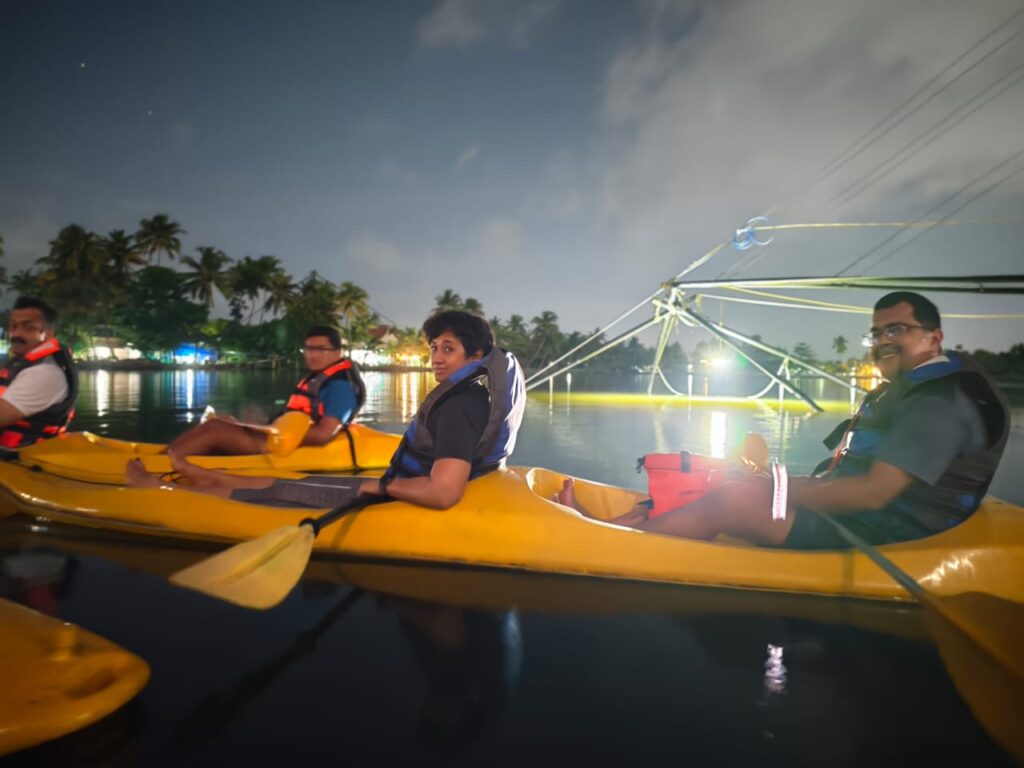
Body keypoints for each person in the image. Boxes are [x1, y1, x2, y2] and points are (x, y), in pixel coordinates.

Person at [558, 291, 1009, 549]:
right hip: (862, 516)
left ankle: (606, 543)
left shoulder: (941, 401)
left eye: (897, 330)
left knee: (732, 498)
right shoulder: (912, 389)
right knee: (723, 475)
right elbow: (849, 475)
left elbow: (873, 495)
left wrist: (773, 489)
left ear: (934, 338)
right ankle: (611, 526)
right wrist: (775, 481)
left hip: (889, 533)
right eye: (877, 333)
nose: (883, 341)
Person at [127, 311, 526, 511]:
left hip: (398, 499)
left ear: (476, 355)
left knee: (286, 491)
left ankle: (167, 489)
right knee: (296, 481)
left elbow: (443, 492)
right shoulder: (472, 393)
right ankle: (200, 472)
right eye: (434, 347)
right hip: (399, 488)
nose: (435, 358)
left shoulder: (460, 405)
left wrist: (381, 487)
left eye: (448, 349)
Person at [164, 325, 365, 456]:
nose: (313, 355)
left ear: (337, 352)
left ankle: (159, 465)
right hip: (280, 437)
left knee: (215, 431)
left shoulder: (340, 386)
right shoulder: (319, 377)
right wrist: (253, 424)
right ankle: (162, 456)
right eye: (309, 349)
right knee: (216, 423)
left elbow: (323, 434)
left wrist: (267, 431)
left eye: (321, 349)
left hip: (287, 446)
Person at [0, 296, 78, 448]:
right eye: (13, 327)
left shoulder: (44, 373)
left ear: (47, 334)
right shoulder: (21, 366)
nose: (16, 334)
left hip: (21, 461)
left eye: (28, 328)